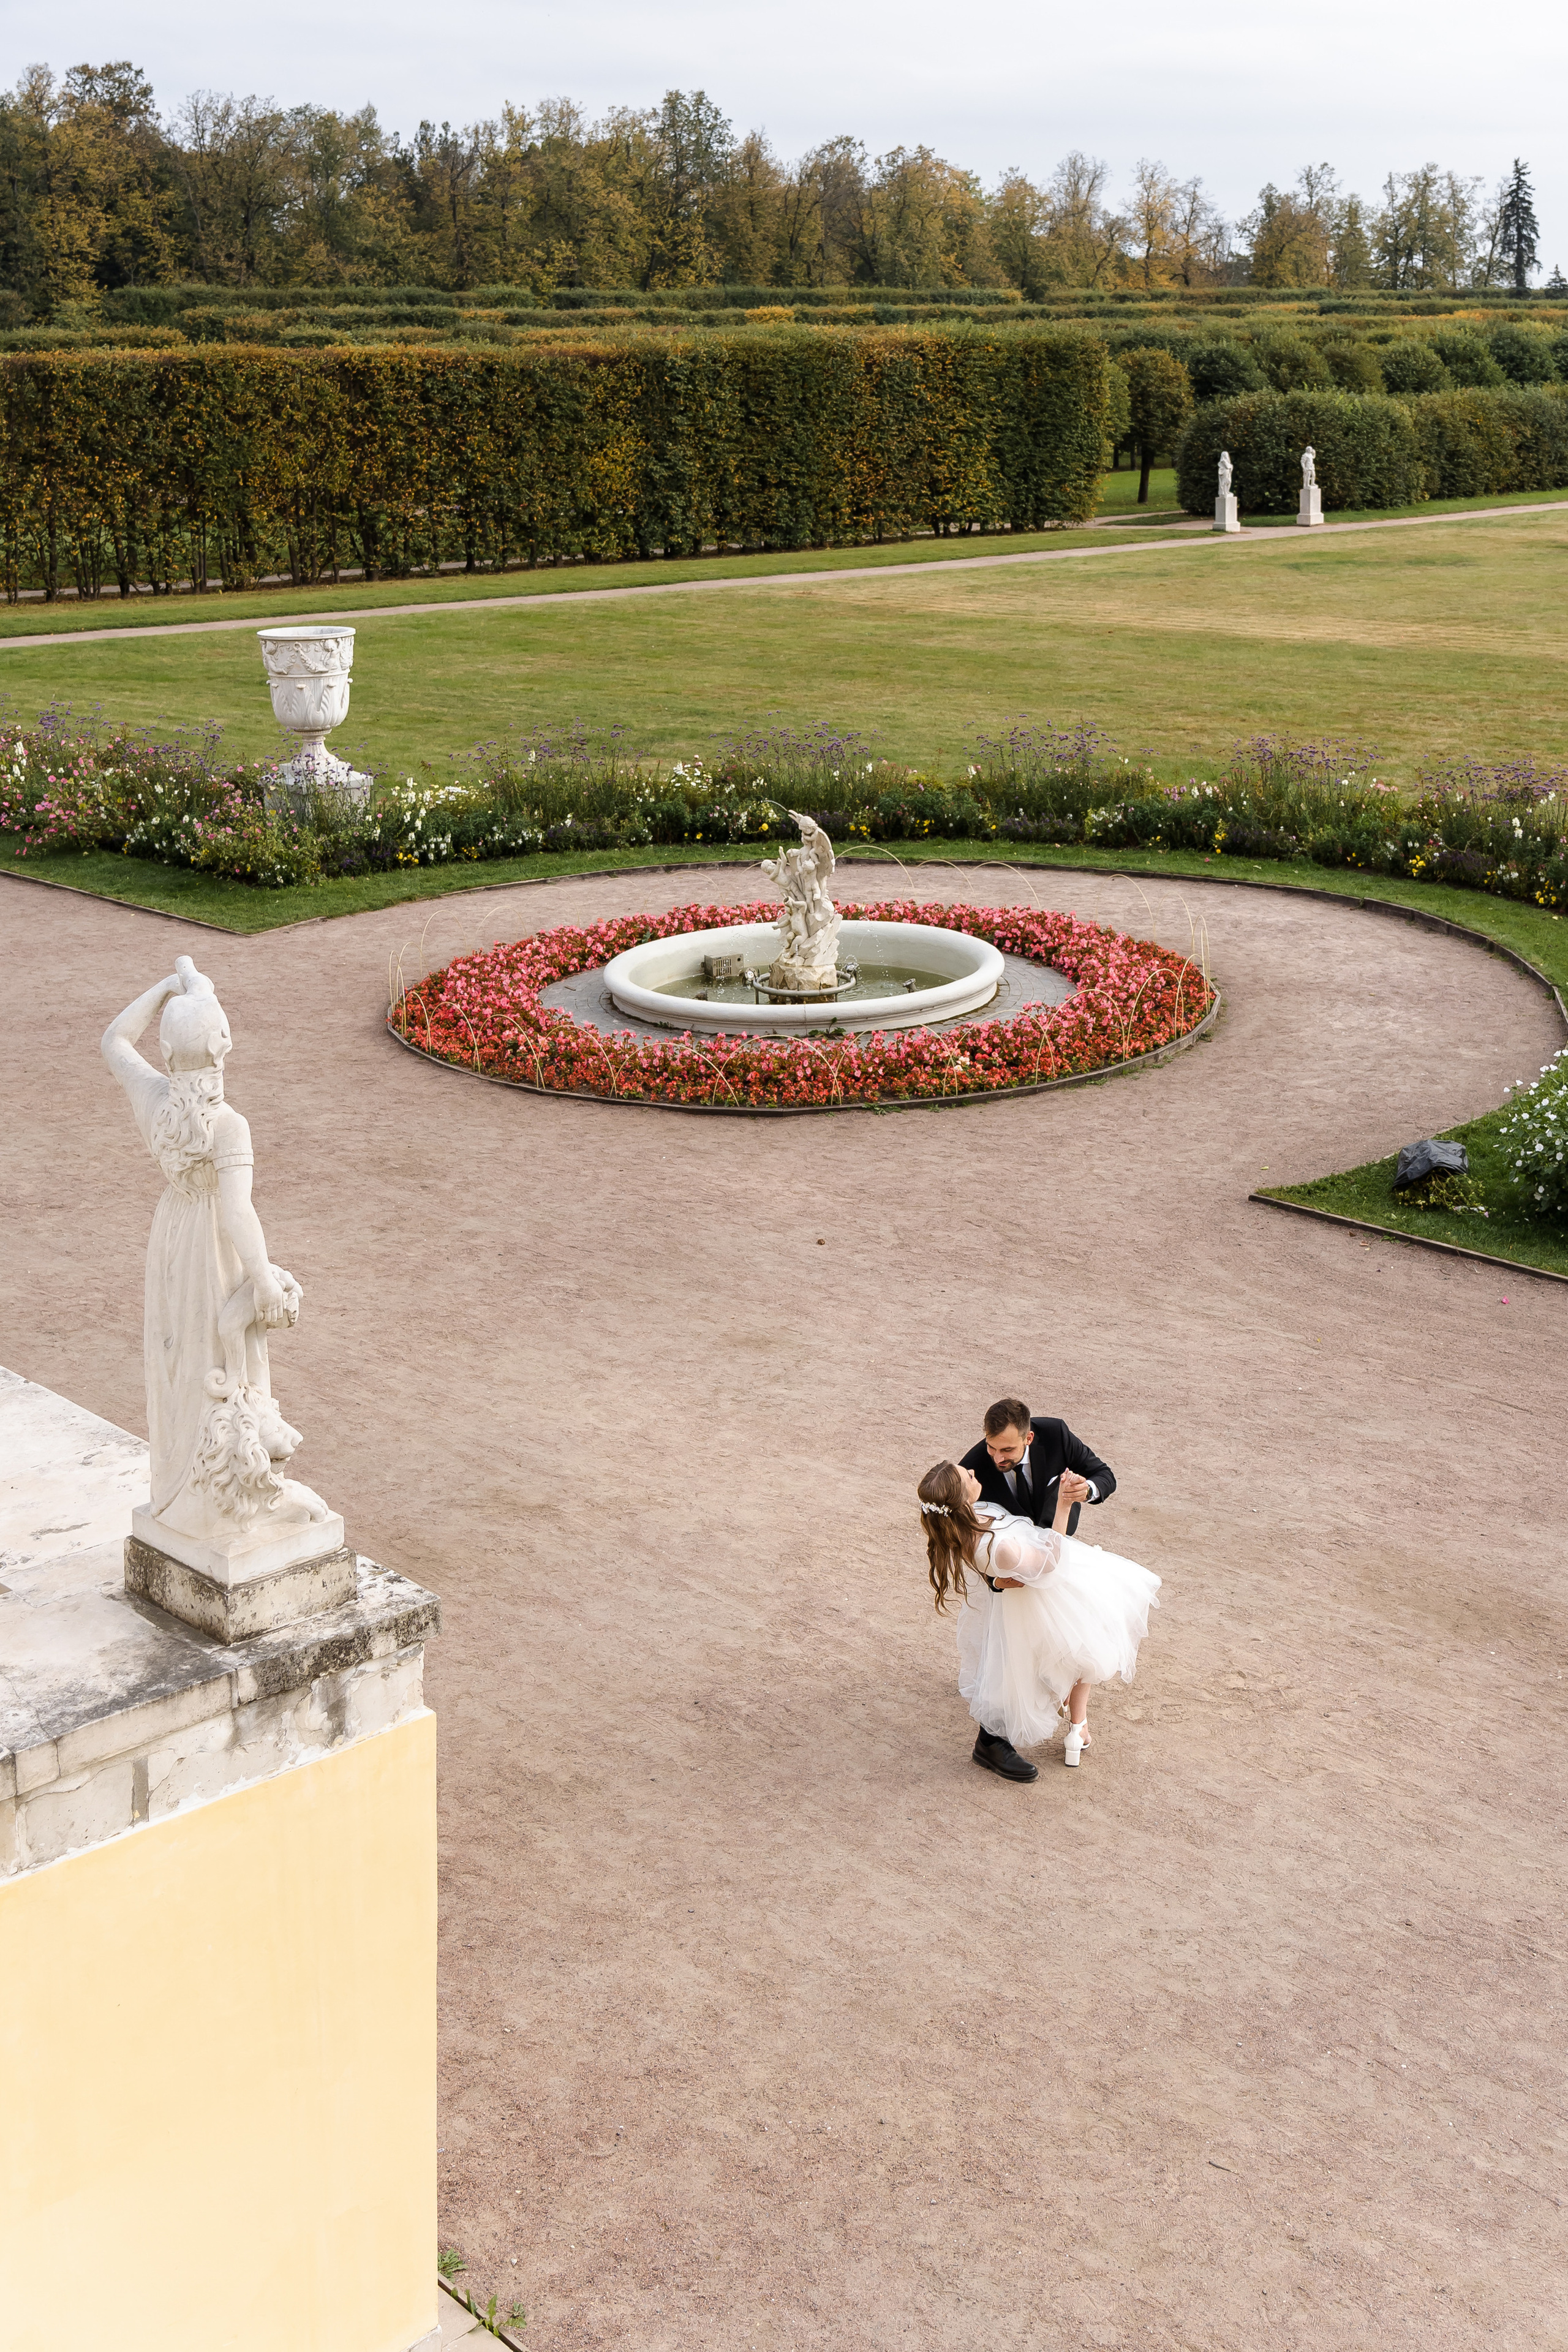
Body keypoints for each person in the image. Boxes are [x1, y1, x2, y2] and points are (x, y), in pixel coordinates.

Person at [918, 1459, 1161, 1781]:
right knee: (1083, 1647)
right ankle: (1041, 1733)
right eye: (968, 1476)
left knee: (1078, 1650)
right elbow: (1051, 1565)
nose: (975, 1471)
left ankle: (1077, 1725)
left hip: (1024, 1596)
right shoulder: (999, 1546)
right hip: (1045, 1596)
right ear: (960, 1500)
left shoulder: (969, 1520)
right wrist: (1063, 1505)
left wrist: (996, 1579)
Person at [960, 1397, 1114, 1541]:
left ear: (1029, 1438)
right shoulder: (973, 1466)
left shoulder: (1056, 1436)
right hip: (1012, 1549)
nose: (998, 1458)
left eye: (1008, 1450)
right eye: (992, 1447)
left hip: (1062, 1535)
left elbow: (1104, 1474)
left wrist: (1087, 1490)